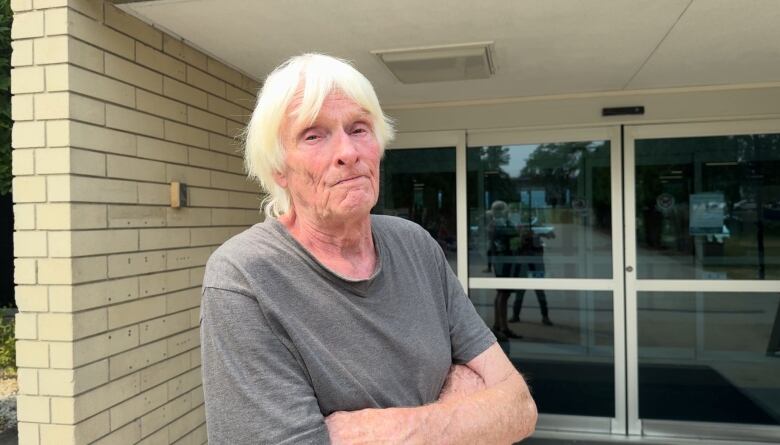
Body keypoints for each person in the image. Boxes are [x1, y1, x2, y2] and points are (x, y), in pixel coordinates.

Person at [200, 53, 537, 444]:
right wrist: (465, 406)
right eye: (314, 135)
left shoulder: (415, 245)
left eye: (359, 128)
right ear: (278, 168)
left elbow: (519, 407)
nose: (348, 152)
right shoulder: (245, 277)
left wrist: (380, 431)